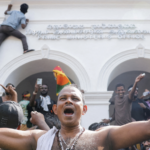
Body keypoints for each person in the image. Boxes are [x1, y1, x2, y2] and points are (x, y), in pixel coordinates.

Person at [1, 84, 150, 150]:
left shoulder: (102, 137)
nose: (68, 101)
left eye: (75, 98)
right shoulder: (39, 139)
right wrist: (12, 104)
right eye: (63, 98)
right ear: (55, 109)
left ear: (84, 109)